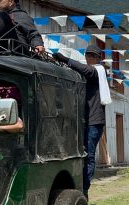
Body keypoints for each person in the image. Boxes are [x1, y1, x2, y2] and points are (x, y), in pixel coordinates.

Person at [52, 45, 110, 201]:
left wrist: (66, 60)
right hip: (85, 121)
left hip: (94, 122)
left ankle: (84, 188)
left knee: (89, 156)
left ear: (97, 58)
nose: (88, 58)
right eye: (87, 55)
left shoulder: (98, 70)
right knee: (82, 155)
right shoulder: (91, 72)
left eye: (91, 55)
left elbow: (86, 70)